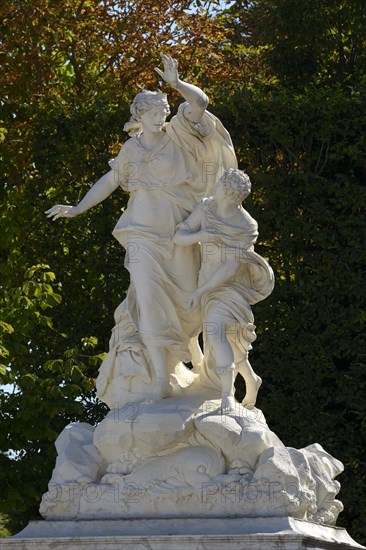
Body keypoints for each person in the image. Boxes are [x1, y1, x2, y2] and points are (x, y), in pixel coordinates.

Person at [46, 53, 237, 403]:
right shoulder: (131, 149)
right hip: (140, 233)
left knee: (189, 302)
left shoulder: (179, 134)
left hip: (179, 232)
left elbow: (201, 102)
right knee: (148, 302)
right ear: (140, 115)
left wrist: (176, 84)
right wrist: (77, 207)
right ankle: (159, 380)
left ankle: (195, 359)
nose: (162, 114)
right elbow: (110, 180)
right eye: (155, 111)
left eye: (164, 109)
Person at [174, 168, 274, 411]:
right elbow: (179, 236)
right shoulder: (206, 208)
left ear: (229, 194)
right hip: (206, 283)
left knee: (221, 333)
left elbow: (231, 268)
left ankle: (228, 396)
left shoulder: (246, 226)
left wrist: (200, 292)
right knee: (225, 339)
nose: (215, 187)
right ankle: (249, 380)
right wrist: (200, 234)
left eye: (219, 184)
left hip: (232, 287)